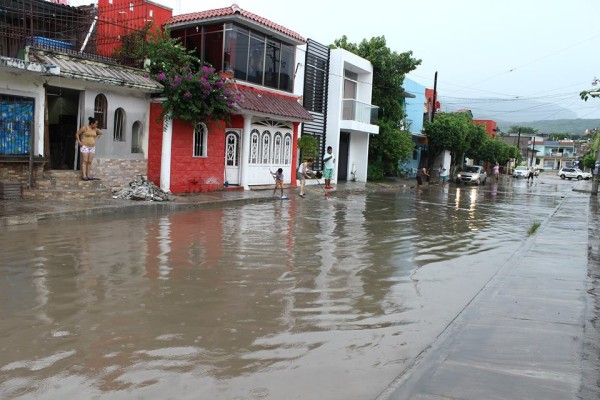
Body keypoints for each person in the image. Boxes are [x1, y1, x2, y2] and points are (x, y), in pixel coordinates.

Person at [75, 117, 102, 181]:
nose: (96, 125)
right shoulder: (85, 127)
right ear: (92, 123)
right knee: (85, 161)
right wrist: (79, 141)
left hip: (92, 147)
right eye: (95, 124)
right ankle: (84, 175)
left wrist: (95, 139)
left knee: (89, 161)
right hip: (85, 146)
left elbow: (100, 133)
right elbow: (77, 134)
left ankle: (88, 175)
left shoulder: (95, 129)